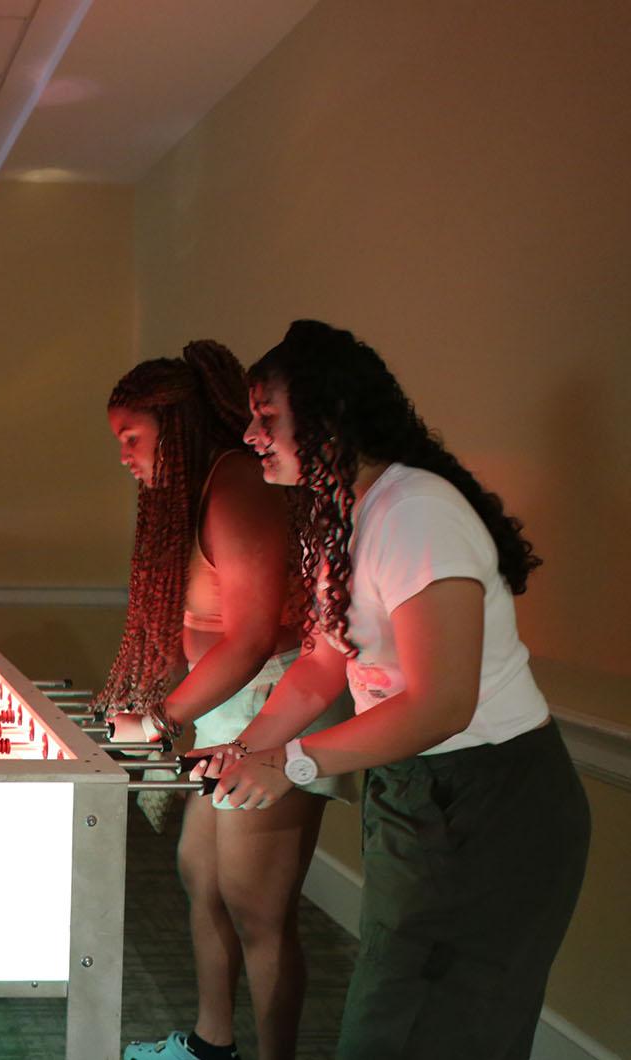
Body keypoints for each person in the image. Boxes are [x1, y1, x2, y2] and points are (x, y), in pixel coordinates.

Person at [202, 320, 591, 1060]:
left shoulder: (417, 512)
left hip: (491, 803)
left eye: (267, 417)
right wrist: (245, 746)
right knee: (396, 1019)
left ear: (331, 416)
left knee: (426, 1031)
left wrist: (291, 763)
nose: (251, 435)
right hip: (419, 793)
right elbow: (322, 664)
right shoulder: (343, 512)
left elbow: (444, 703)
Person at [102, 342, 349, 1060]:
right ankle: (212, 1045)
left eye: (130, 437)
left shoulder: (237, 484)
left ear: (173, 430)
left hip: (276, 702)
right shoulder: (197, 493)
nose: (122, 454)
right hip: (226, 711)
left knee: (255, 903)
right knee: (201, 876)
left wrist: (159, 719)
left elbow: (248, 638)